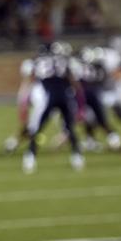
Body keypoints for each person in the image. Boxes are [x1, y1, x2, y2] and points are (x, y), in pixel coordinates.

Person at [22, 42, 84, 174]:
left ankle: (30, 157)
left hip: (49, 97)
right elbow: (74, 81)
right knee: (69, 128)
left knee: (38, 128)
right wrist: (80, 102)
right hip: (64, 96)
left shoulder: (38, 61)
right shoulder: (65, 60)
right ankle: (77, 156)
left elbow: (33, 79)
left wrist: (25, 100)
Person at [75, 47, 121, 151]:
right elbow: (102, 78)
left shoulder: (79, 67)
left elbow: (76, 81)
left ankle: (98, 140)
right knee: (98, 119)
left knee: (90, 118)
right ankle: (111, 139)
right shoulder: (98, 66)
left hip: (85, 94)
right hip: (96, 93)